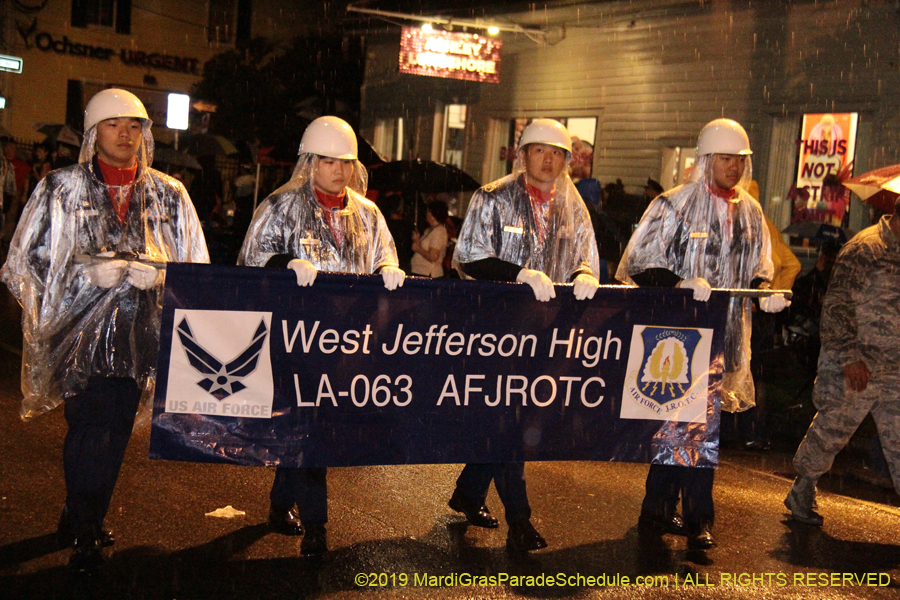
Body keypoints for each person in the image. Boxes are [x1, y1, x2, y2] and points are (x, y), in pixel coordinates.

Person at [0, 88, 209, 572]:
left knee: (114, 433)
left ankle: (78, 511)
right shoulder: (60, 188)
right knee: (88, 428)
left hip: (139, 337)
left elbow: (196, 263)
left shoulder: (169, 194)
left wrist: (161, 275)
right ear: (94, 134)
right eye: (114, 125)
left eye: (135, 126)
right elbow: (22, 264)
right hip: (77, 338)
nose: (125, 134)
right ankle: (87, 528)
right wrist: (79, 277)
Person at [616, 118, 788, 550]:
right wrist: (677, 285)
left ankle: (658, 513)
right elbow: (640, 262)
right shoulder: (672, 205)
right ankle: (695, 518)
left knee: (694, 429)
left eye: (740, 160)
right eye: (726, 158)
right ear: (708, 159)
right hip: (679, 339)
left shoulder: (750, 211)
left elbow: (760, 266)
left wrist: (765, 292)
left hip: (727, 337)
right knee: (688, 429)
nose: (733, 167)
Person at [238, 116, 405, 558]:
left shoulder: (367, 214)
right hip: (293, 340)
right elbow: (252, 260)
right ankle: (317, 527)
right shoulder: (280, 206)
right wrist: (284, 263)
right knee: (309, 429)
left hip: (344, 345)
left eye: (345, 161)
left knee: (309, 429)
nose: (338, 170)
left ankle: (280, 503)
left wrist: (389, 268)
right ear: (310, 162)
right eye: (328, 160)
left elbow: (385, 254)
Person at [451, 118, 602, 552]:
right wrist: (518, 274)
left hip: (545, 333)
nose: (549, 159)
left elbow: (583, 254)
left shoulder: (572, 205)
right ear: (523, 154)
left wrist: (585, 272)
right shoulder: (493, 197)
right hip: (496, 332)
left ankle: (469, 490)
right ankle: (521, 519)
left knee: (513, 420)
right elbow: (470, 256)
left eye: (557, 153)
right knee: (510, 425)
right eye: (540, 150)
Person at [784, 196, 900, 526]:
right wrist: (849, 357)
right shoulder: (865, 249)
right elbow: (836, 306)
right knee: (832, 431)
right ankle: (803, 486)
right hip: (856, 363)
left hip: (895, 368)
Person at [410, 200, 449, 278]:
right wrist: (417, 240)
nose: (426, 214)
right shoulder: (429, 230)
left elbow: (433, 257)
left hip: (429, 274)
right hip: (420, 272)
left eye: (428, 211)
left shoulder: (439, 231)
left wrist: (417, 248)